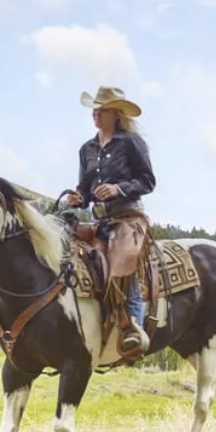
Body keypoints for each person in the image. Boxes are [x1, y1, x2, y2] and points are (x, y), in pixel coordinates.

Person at [58, 85, 156, 356]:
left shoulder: (131, 143)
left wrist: (118, 189)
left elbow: (148, 181)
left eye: (102, 110)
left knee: (122, 261)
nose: (96, 115)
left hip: (128, 218)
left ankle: (132, 328)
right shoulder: (86, 149)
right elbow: (85, 189)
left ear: (116, 114)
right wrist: (79, 198)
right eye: (95, 110)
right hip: (99, 221)